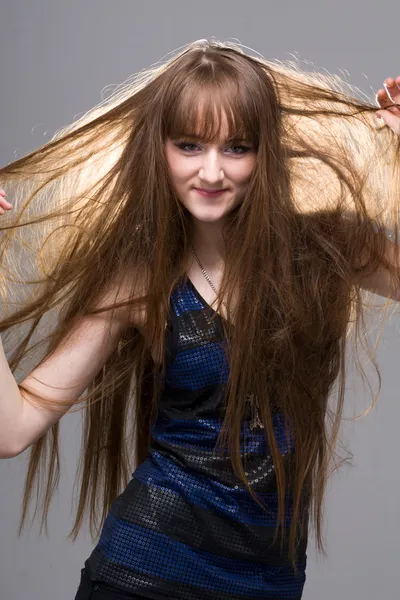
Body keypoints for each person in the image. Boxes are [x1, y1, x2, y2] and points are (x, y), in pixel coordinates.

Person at [0, 38, 399, 600]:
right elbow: (12, 428)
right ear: (158, 149)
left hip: (270, 583)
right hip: (147, 572)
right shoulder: (141, 279)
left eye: (236, 147)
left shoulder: (324, 247)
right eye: (189, 145)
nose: (211, 171)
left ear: (266, 153)